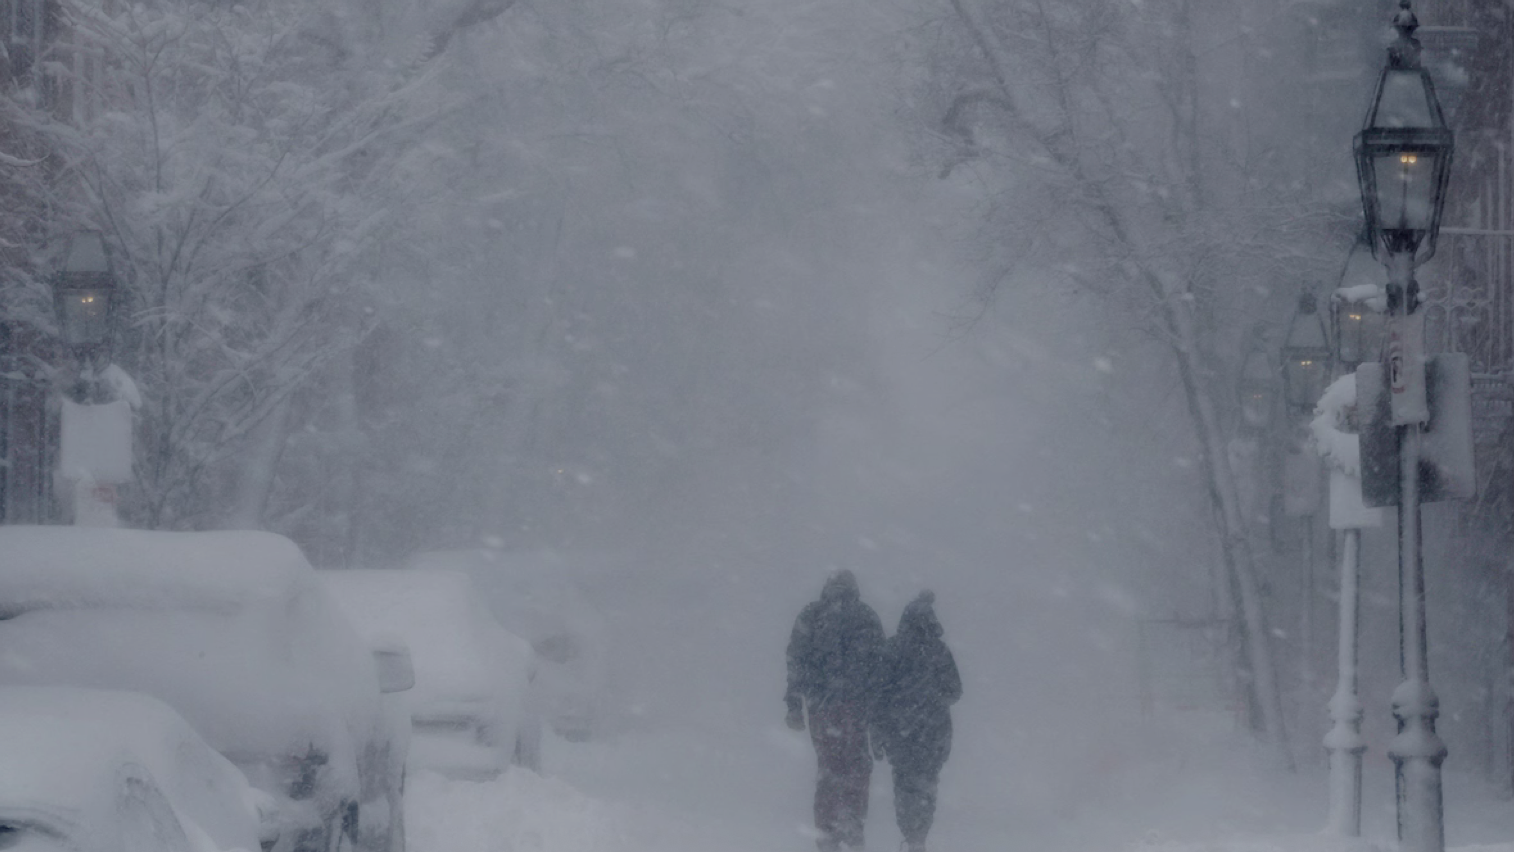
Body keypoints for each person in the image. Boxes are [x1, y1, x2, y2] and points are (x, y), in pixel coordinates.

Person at [786, 569, 887, 852]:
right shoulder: (866, 616)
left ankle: (827, 832)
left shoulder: (813, 614)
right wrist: (879, 715)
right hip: (856, 706)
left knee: (829, 767)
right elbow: (881, 669)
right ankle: (852, 824)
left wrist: (794, 704)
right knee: (856, 765)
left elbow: (796, 660)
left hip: (822, 707)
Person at [874, 590, 960, 852]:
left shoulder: (892, 648)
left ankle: (910, 834)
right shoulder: (939, 651)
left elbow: (879, 693)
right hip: (934, 733)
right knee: (926, 784)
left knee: (903, 783)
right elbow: (955, 690)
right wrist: (933, 701)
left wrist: (878, 731)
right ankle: (920, 836)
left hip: (899, 732)